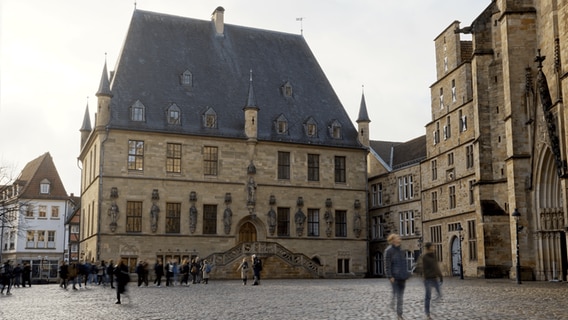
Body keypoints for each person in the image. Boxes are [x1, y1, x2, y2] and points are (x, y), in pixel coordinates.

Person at [385, 234, 410, 320]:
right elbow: (387, 264)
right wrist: (389, 276)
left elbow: (403, 263)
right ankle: (399, 314)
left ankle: (399, 313)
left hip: (402, 277)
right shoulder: (389, 251)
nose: (399, 239)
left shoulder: (401, 250)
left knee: (400, 296)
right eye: (397, 238)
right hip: (394, 277)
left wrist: (406, 274)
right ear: (393, 240)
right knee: (398, 295)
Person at [418, 242, 443, 320]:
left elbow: (436, 267)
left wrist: (440, 275)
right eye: (433, 246)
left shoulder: (434, 256)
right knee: (428, 297)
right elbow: (420, 266)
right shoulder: (424, 257)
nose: (434, 247)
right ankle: (427, 313)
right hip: (428, 279)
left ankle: (432, 305)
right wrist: (423, 275)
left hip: (435, 278)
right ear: (429, 247)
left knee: (439, 295)